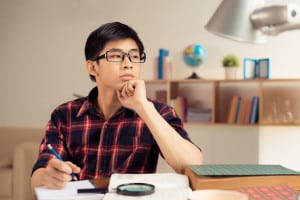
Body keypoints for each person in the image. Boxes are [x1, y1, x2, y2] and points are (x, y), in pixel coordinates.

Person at [31, 22, 203, 189]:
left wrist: (144, 107)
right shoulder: (65, 115)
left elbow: (192, 166)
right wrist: (49, 176)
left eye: (134, 56)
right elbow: (38, 178)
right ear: (92, 67)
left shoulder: (159, 112)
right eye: (115, 56)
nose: (128, 63)